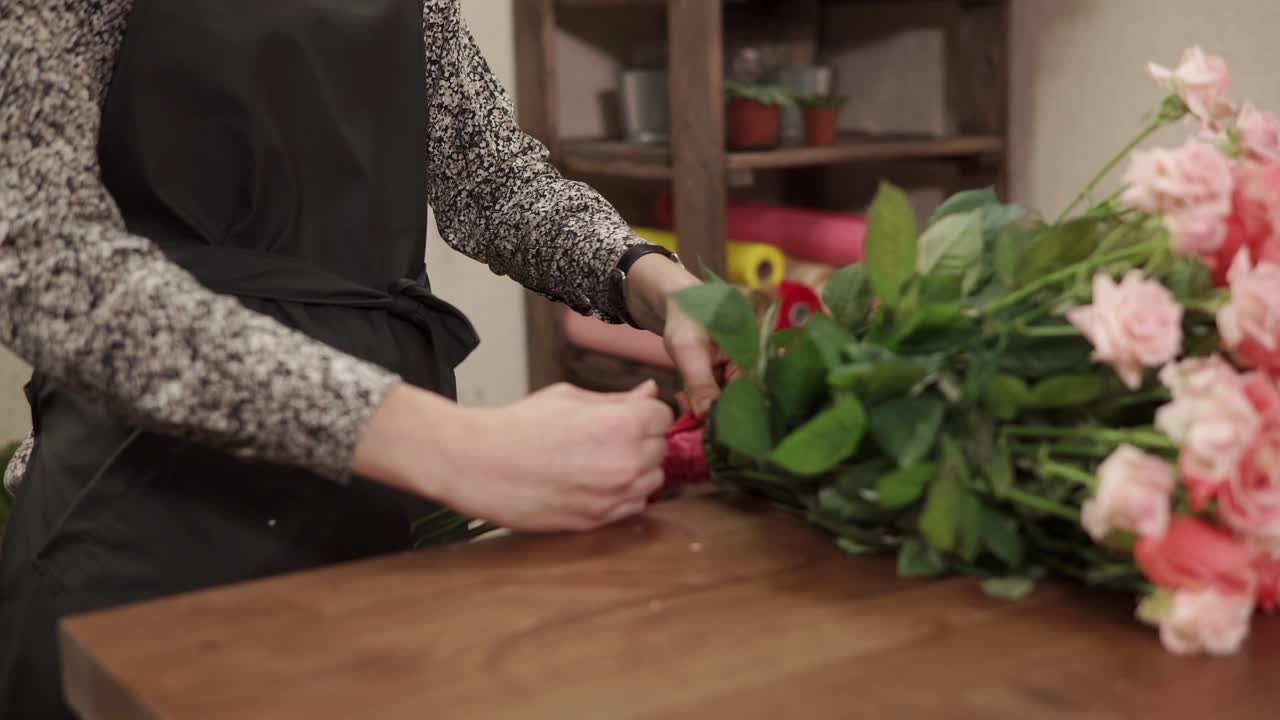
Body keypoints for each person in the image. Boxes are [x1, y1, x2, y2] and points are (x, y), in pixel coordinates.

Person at [0, 1, 728, 715]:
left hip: (363, 502)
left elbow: (485, 174)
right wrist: (446, 444)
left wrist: (646, 278)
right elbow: (37, 251)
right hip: (142, 507)